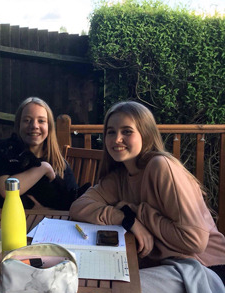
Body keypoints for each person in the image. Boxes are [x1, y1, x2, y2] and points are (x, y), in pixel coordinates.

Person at [69, 100, 225, 282]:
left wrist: (136, 212)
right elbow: (78, 206)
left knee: (118, 289)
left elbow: (194, 241)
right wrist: (126, 219)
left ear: (146, 134)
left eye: (127, 131)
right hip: (164, 267)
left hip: (206, 270)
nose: (117, 139)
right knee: (88, 275)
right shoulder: (119, 176)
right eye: (111, 132)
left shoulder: (161, 167)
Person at [0, 97, 84, 210]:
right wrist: (42, 168)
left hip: (51, 223)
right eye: (27, 120)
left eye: (41, 121)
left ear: (49, 127)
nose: (34, 126)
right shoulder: (5, 152)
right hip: (9, 222)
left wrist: (45, 213)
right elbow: (5, 190)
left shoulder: (60, 164)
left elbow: (75, 204)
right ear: (18, 125)